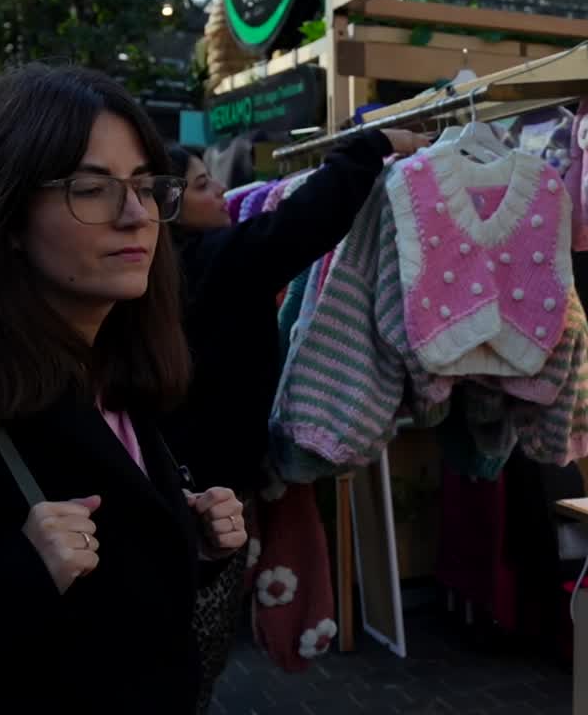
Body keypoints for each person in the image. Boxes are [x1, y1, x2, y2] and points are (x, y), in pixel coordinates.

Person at [0, 64, 247, 713]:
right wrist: (19, 574)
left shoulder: (114, 370)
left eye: (145, 186)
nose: (135, 215)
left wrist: (190, 540)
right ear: (7, 216)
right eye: (91, 188)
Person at [163, 130, 426, 708]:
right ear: (168, 206)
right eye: (205, 185)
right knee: (192, 641)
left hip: (196, 472)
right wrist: (370, 145)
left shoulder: (175, 269)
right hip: (204, 480)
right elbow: (304, 223)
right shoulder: (208, 260)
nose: (225, 192)